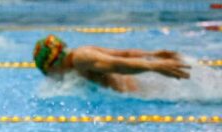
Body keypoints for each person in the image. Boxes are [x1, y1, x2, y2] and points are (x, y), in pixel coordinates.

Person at [32, 34, 191, 93]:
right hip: (138, 89)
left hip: (134, 95)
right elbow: (124, 53)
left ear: (53, 64)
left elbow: (118, 64)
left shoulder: (81, 58)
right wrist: (152, 55)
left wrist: (154, 66)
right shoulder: (83, 51)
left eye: (50, 72)